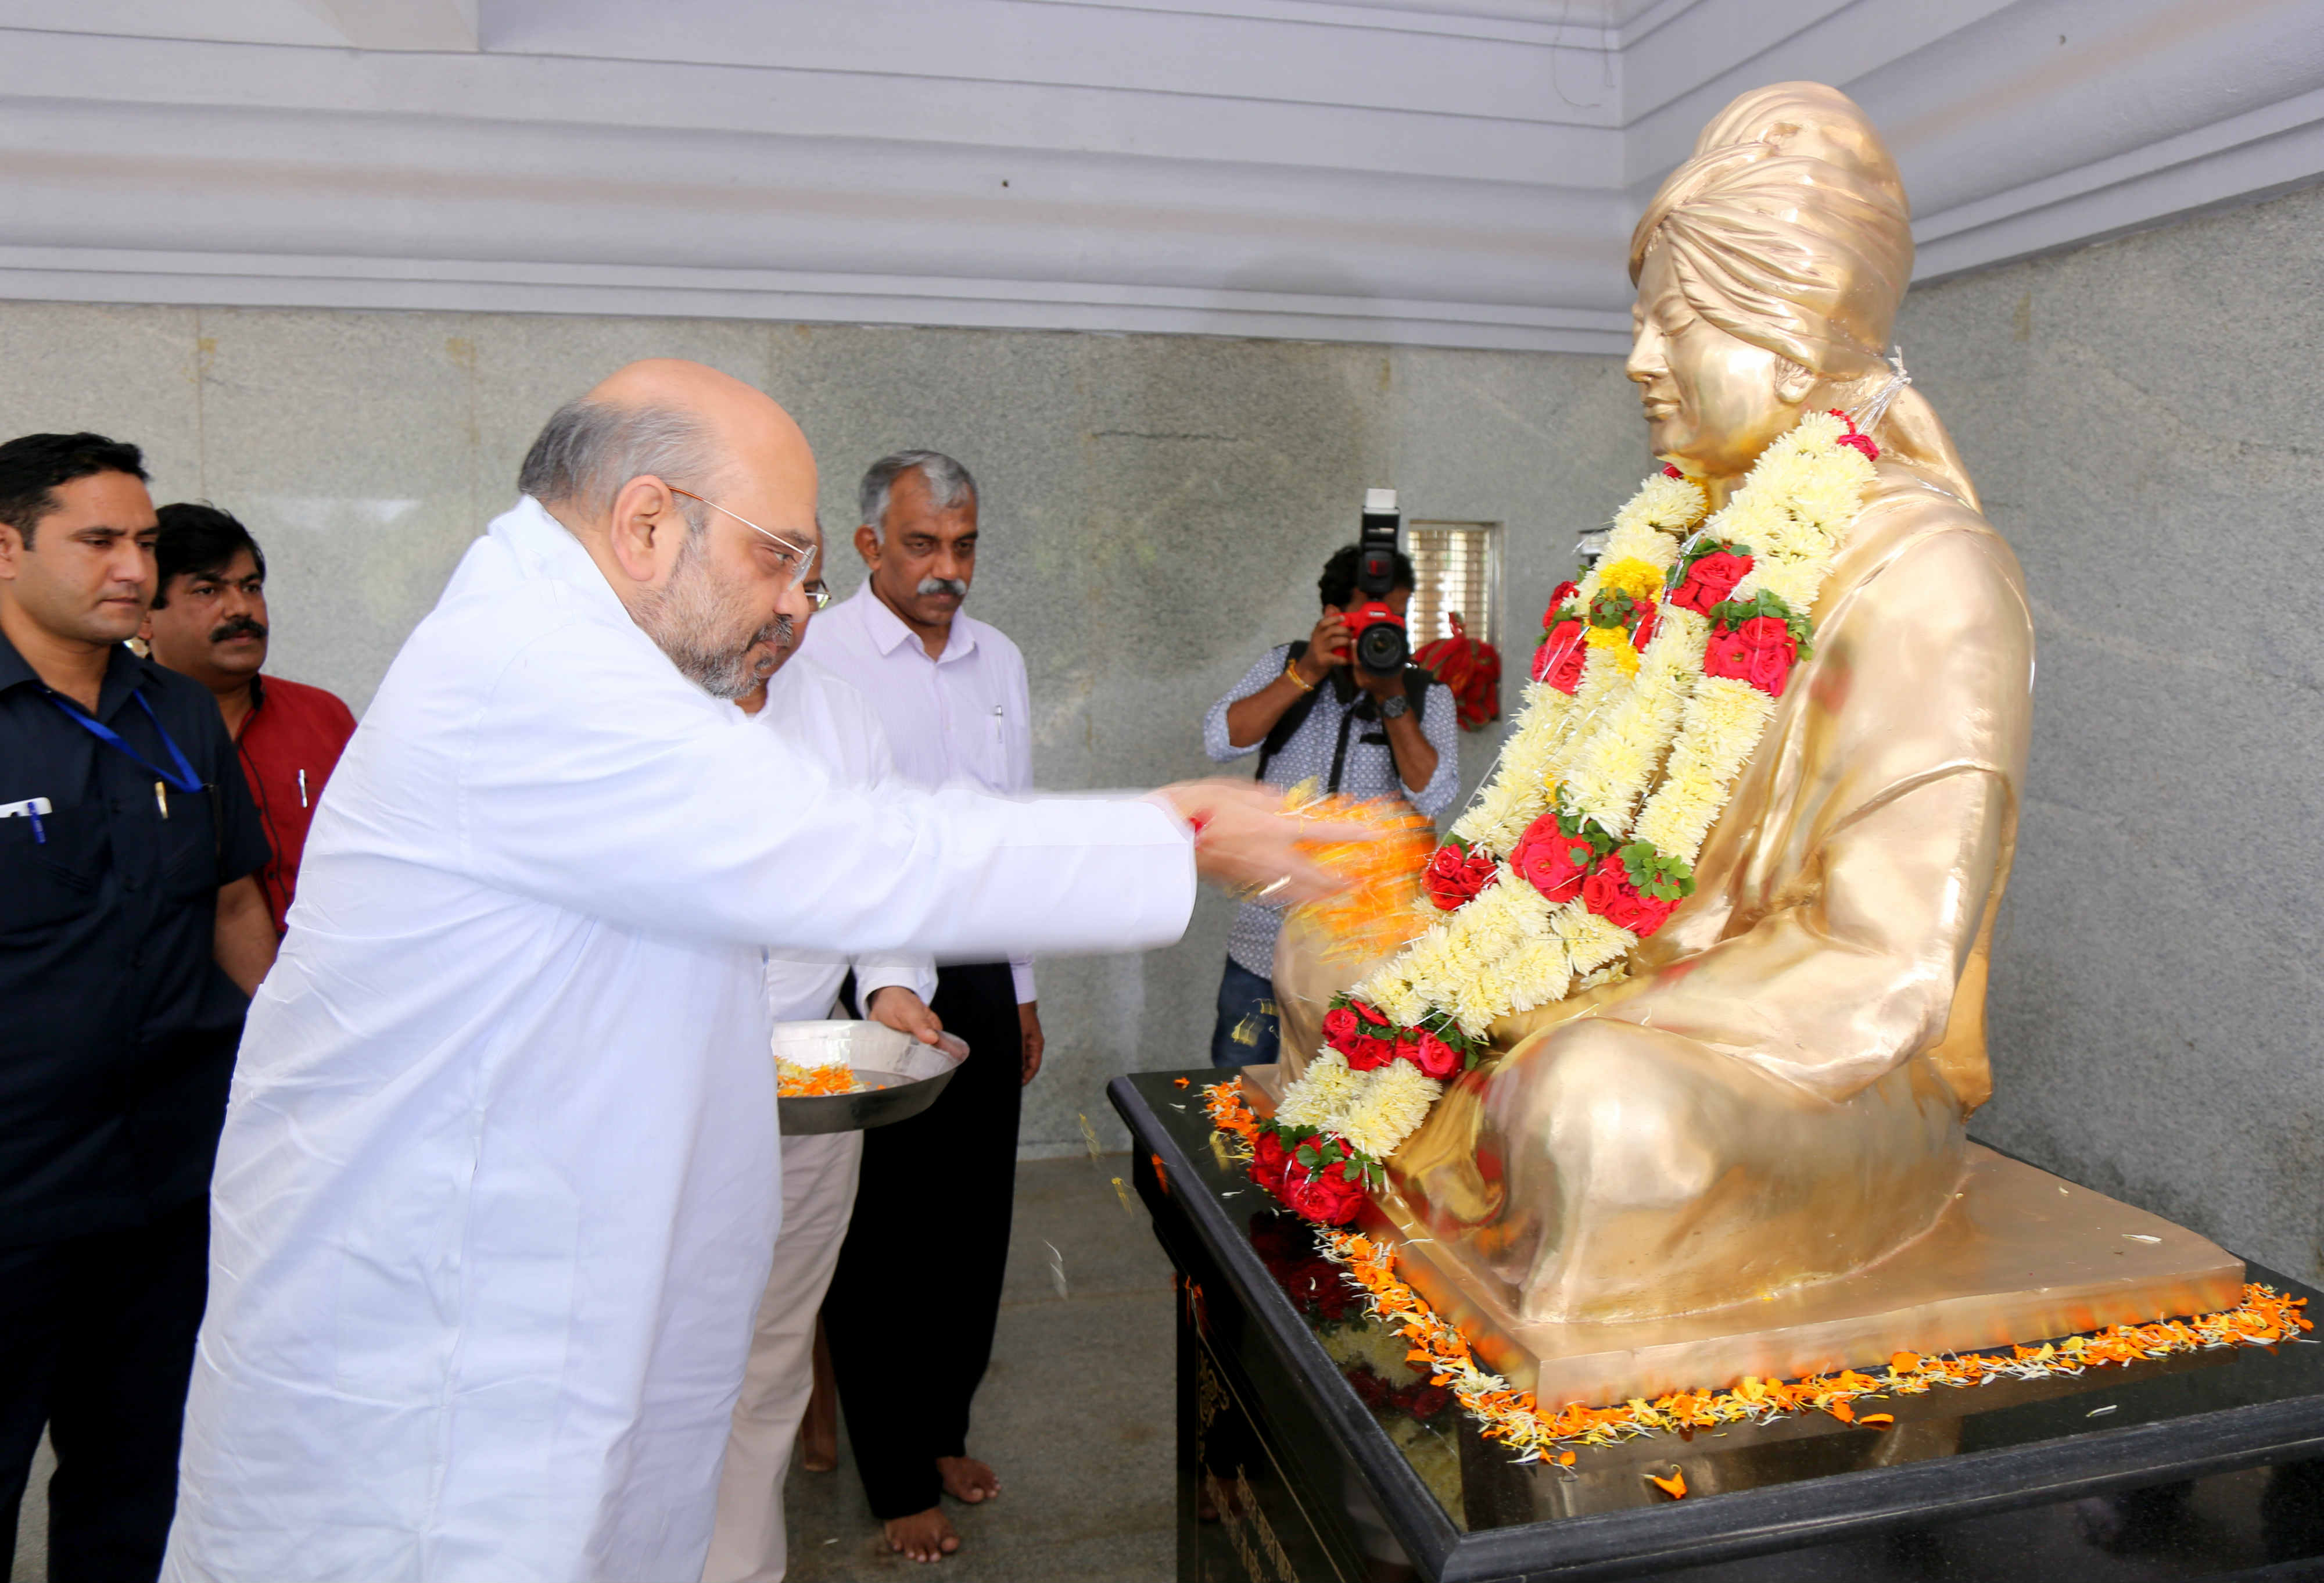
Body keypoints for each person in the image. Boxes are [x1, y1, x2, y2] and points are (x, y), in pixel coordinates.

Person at [159, 361, 1353, 1583]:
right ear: (644, 524)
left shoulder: (588, 650)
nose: (795, 600)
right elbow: (839, 849)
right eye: (778, 556)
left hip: (545, 1298)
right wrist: (1188, 831)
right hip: (442, 1381)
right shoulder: (530, 669)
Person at [0, 432, 277, 1583]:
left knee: (139, 1487)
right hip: (12, 1193)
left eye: (146, 544)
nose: (133, 569)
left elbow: (231, 908)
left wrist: (300, 1081)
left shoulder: (179, 713)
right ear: (6, 548)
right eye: (99, 541)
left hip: (167, 1186)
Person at [799, 449, 1052, 1563]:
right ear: (868, 546)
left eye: (965, 546)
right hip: (865, 975)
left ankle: (943, 1426)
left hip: (984, 970)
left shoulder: (1000, 660)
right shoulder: (822, 654)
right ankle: (894, 1466)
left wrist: (1027, 988)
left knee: (972, 1224)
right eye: (922, 545)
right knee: (883, 1231)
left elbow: (1020, 830)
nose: (948, 569)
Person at [701, 552, 944, 1583]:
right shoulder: (632, 712)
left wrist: (890, 983)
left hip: (811, 1075)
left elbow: (883, 879)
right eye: (773, 582)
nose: (796, 612)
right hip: (665, 1088)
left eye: (809, 591)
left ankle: (743, 1562)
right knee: (677, 1359)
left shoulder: (840, 713)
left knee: (771, 1353)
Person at [1200, 544, 1459, 1066]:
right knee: (1240, 1094)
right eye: (1372, 614)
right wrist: (1308, 671)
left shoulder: (1425, 693)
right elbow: (1221, 739)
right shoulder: (1286, 664)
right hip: (1264, 940)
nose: (1386, 627)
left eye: (1397, 616)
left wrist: (1391, 696)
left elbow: (1435, 793)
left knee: (1353, 1111)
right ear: (1332, 615)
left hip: (1365, 956)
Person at [143, 502, 358, 935]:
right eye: (208, 591)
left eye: (251, 587)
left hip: (331, 977)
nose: (240, 609)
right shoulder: (122, 731)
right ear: (145, 617)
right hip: (192, 992)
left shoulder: (323, 715)